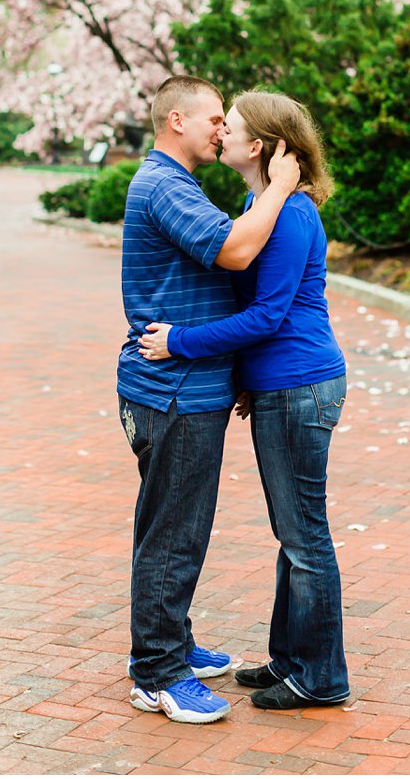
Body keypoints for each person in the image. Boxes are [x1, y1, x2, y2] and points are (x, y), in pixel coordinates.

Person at [139, 89, 349, 710]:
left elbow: (266, 316)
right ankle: (290, 661)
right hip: (279, 386)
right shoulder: (262, 203)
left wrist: (180, 341)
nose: (219, 132)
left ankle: (320, 677)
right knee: (294, 534)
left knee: (304, 536)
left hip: (300, 383)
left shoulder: (289, 213)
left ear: (256, 145)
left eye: (228, 125)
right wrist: (246, 382)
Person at [117, 75, 300, 725]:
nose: (222, 129)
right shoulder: (164, 185)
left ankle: (170, 642)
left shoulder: (175, 183)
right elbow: (234, 248)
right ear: (176, 120)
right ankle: (157, 672)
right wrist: (278, 187)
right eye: (214, 118)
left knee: (171, 525)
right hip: (173, 392)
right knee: (175, 531)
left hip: (185, 387)